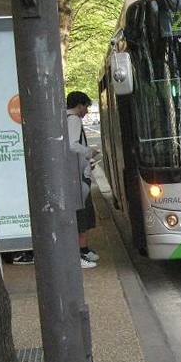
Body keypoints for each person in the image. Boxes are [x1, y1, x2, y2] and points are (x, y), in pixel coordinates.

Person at [66, 91, 100, 269]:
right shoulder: (73, 120)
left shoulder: (63, 119)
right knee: (82, 214)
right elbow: (72, 145)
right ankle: (82, 252)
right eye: (86, 106)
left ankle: (83, 250)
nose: (87, 111)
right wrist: (89, 152)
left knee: (82, 213)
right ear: (79, 105)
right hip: (78, 176)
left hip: (75, 173)